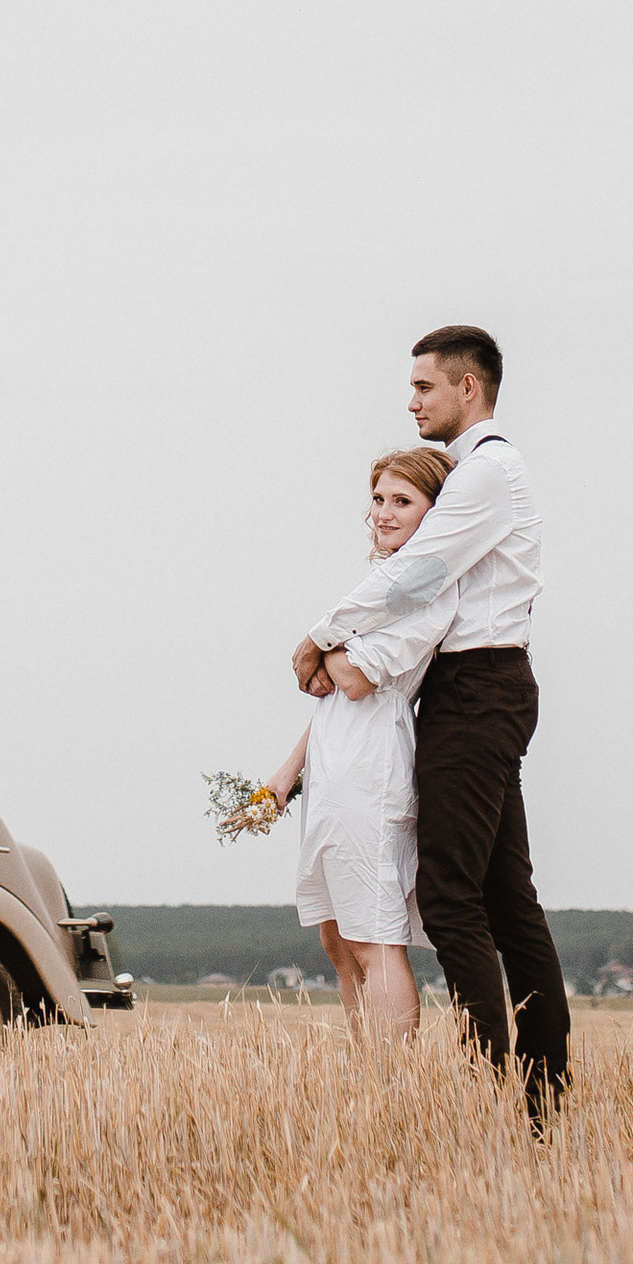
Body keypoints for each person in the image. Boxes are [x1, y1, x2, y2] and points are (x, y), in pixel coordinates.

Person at [291, 324, 570, 1124]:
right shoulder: (482, 473)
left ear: (468, 389)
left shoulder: (487, 472)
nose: (411, 400)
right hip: (475, 688)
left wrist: (317, 634)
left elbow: (416, 575)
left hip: (478, 690)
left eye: (424, 387)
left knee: (453, 901)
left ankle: (502, 1093)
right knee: (507, 899)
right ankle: (539, 1097)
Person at [261, 447, 455, 1042]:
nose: (385, 514)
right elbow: (327, 694)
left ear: (436, 512)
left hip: (373, 769)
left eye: (404, 501)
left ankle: (394, 1080)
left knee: (374, 933)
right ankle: (365, 1062)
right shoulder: (376, 588)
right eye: (379, 500)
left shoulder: (430, 588)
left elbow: (353, 677)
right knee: (335, 933)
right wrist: (283, 779)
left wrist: (326, 647)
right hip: (333, 769)